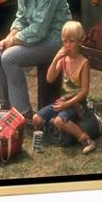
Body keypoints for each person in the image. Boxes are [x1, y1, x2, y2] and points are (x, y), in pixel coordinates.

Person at [33, 21, 96, 154]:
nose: (67, 45)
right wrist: (56, 58)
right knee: (36, 119)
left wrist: (66, 104)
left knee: (60, 120)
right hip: (62, 102)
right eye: (64, 41)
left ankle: (86, 139)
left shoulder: (84, 63)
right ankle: (51, 132)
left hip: (77, 105)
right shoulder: (63, 60)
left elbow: (84, 91)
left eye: (71, 41)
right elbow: (49, 78)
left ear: (80, 41)